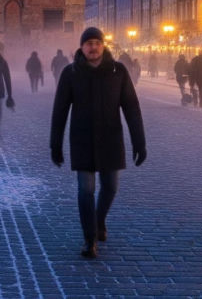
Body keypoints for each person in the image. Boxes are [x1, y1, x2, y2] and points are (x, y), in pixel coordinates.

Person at [50, 27, 146, 259]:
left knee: (111, 187)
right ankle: (89, 238)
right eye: (88, 43)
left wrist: (139, 142)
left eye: (96, 42)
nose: (93, 47)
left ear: (103, 45)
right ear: (81, 47)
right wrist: (55, 144)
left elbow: (131, 108)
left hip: (111, 138)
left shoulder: (118, 71)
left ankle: (99, 218)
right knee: (86, 190)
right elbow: (60, 110)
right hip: (82, 139)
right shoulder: (71, 73)